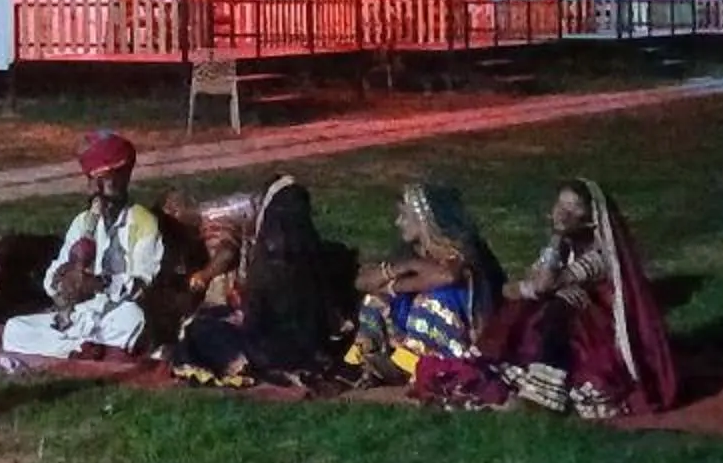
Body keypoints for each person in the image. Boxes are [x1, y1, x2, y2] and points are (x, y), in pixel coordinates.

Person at [479, 179, 680, 418]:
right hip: (564, 320)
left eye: (574, 208)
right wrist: (528, 287)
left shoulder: (600, 254)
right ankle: (519, 378)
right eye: (561, 204)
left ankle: (545, 396)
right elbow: (518, 288)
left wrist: (554, 241)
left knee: (561, 304)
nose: (563, 213)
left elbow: (543, 284)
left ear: (590, 218)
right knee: (526, 307)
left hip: (596, 332)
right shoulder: (563, 247)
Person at [0, 131, 164, 361]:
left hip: (116, 312)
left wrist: (97, 284)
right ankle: (81, 349)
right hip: (79, 314)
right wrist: (60, 279)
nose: (95, 190)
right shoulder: (81, 222)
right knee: (14, 328)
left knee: (132, 318)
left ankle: (75, 347)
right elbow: (53, 275)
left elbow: (141, 285)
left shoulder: (144, 222)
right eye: (90, 180)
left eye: (104, 180)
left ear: (124, 177)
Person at [169, 175, 340, 388]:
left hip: (275, 219)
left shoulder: (211, 221)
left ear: (176, 212)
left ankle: (246, 364)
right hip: (307, 334)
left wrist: (203, 276)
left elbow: (226, 253)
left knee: (201, 327)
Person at [344, 180, 505, 385]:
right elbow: (362, 282)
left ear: (424, 219)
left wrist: (401, 277)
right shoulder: (410, 248)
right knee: (375, 299)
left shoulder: (465, 247)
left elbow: (447, 276)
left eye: (404, 216)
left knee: (432, 298)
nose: (398, 222)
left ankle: (413, 366)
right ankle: (366, 362)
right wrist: (394, 274)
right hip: (416, 326)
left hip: (471, 333)